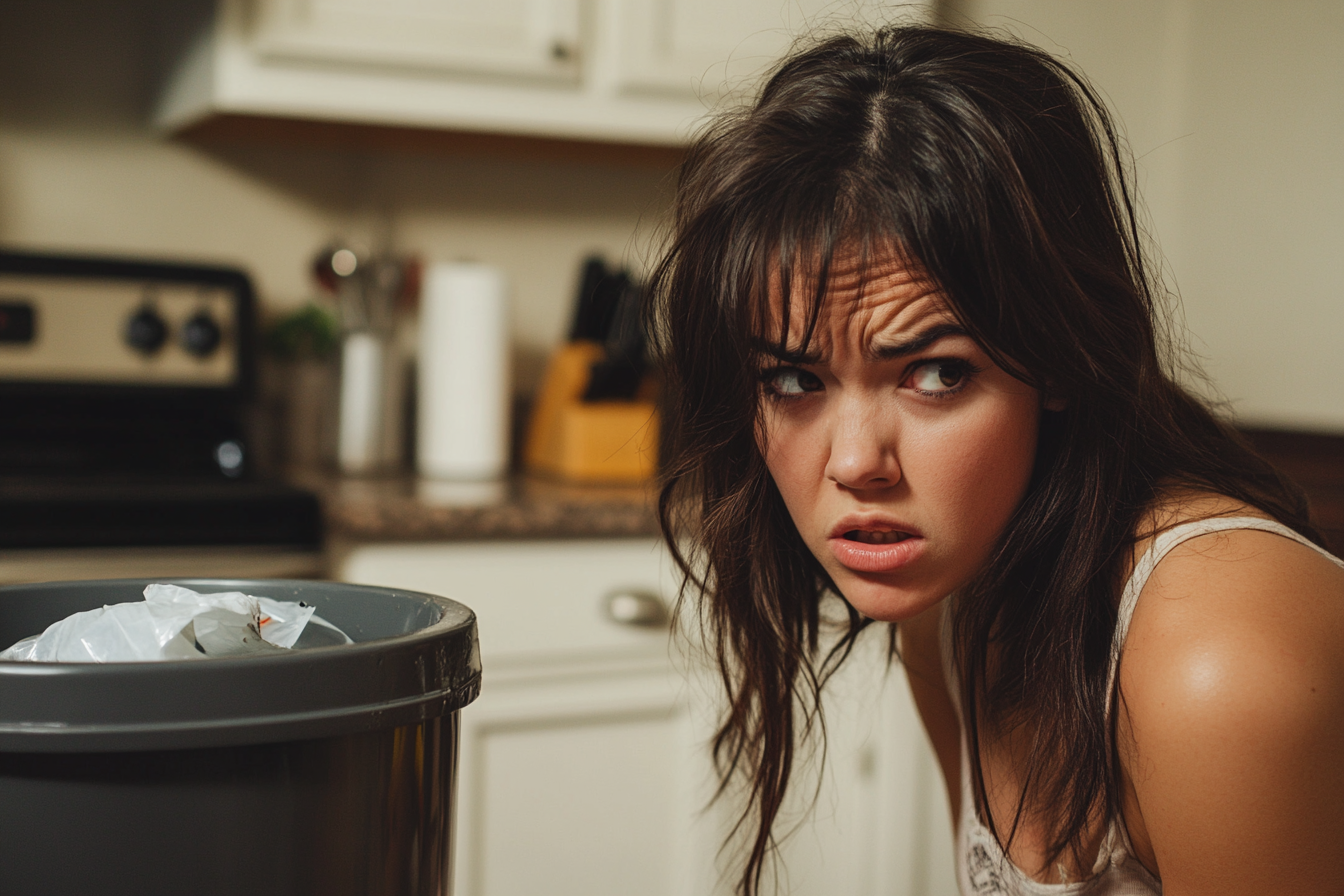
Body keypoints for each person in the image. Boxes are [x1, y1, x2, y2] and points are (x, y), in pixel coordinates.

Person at [646, 23, 1344, 896]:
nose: (858, 463)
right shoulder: (948, 604)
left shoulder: (1219, 666)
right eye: (793, 379)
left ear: (1054, 357)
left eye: (937, 374)